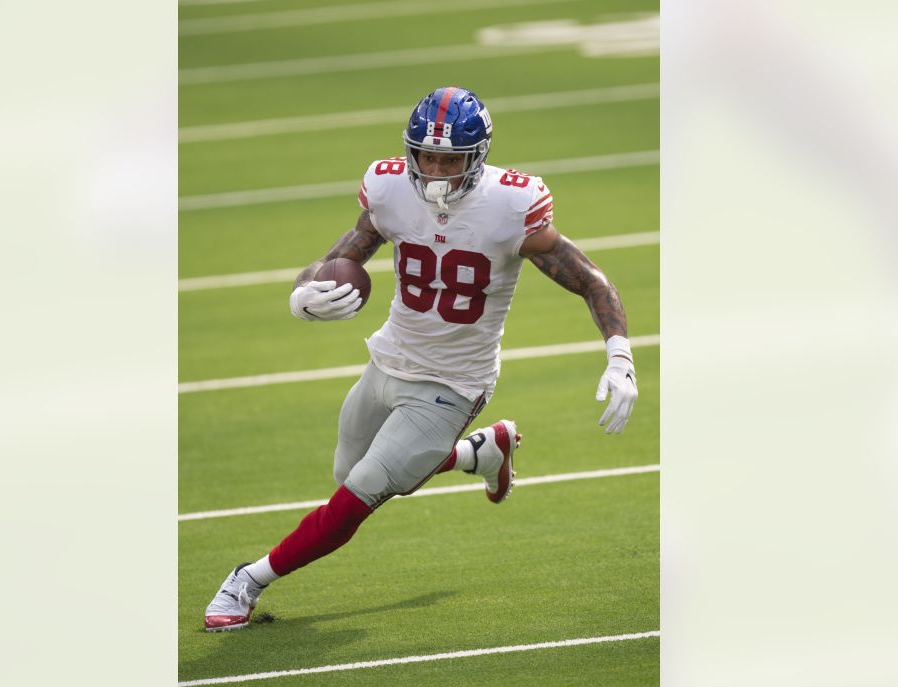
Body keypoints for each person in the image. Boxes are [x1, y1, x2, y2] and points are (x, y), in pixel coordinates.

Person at [204, 86, 638, 631]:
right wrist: (302, 292)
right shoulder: (389, 188)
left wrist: (619, 356)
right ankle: (483, 453)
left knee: (359, 494)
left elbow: (589, 279)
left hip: (454, 381)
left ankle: (248, 580)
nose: (434, 170)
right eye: (426, 155)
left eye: (449, 159)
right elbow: (343, 255)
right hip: (389, 359)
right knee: (351, 473)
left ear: (476, 158)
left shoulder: (511, 205)